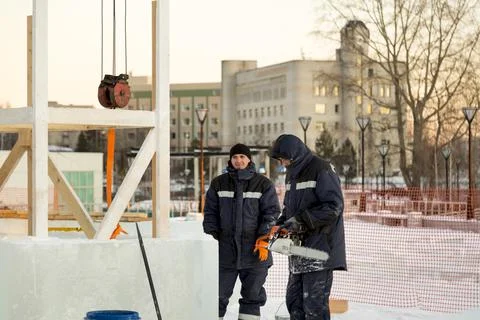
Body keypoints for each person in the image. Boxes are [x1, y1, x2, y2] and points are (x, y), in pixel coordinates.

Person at [270, 134, 347, 320]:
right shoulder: (292, 174)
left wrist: (299, 221)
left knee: (314, 307)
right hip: (298, 251)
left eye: (283, 158)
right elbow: (290, 208)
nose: (282, 162)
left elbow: (334, 207)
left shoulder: (321, 169)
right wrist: (280, 225)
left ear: (294, 154)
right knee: (294, 303)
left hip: (320, 250)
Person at [203, 143, 281, 320]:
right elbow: (210, 212)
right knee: (217, 296)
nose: (238, 161)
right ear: (230, 160)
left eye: (242, 157)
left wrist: (263, 237)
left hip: (255, 252)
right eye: (235, 157)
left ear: (249, 159)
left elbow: (272, 213)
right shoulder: (218, 183)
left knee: (252, 297)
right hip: (225, 253)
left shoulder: (263, 184)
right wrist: (215, 233)